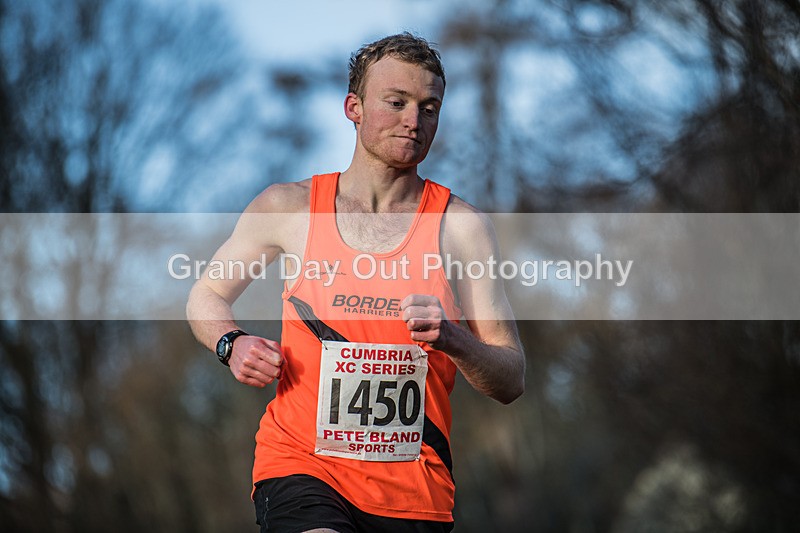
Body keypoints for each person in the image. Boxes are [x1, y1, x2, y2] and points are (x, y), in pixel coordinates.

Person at [187, 32, 525, 533]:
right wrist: (229, 343)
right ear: (355, 107)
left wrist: (454, 339)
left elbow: (511, 378)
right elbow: (206, 295)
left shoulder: (462, 228)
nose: (414, 120)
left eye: (429, 107)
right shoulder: (289, 208)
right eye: (397, 102)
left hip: (414, 489)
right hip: (302, 467)